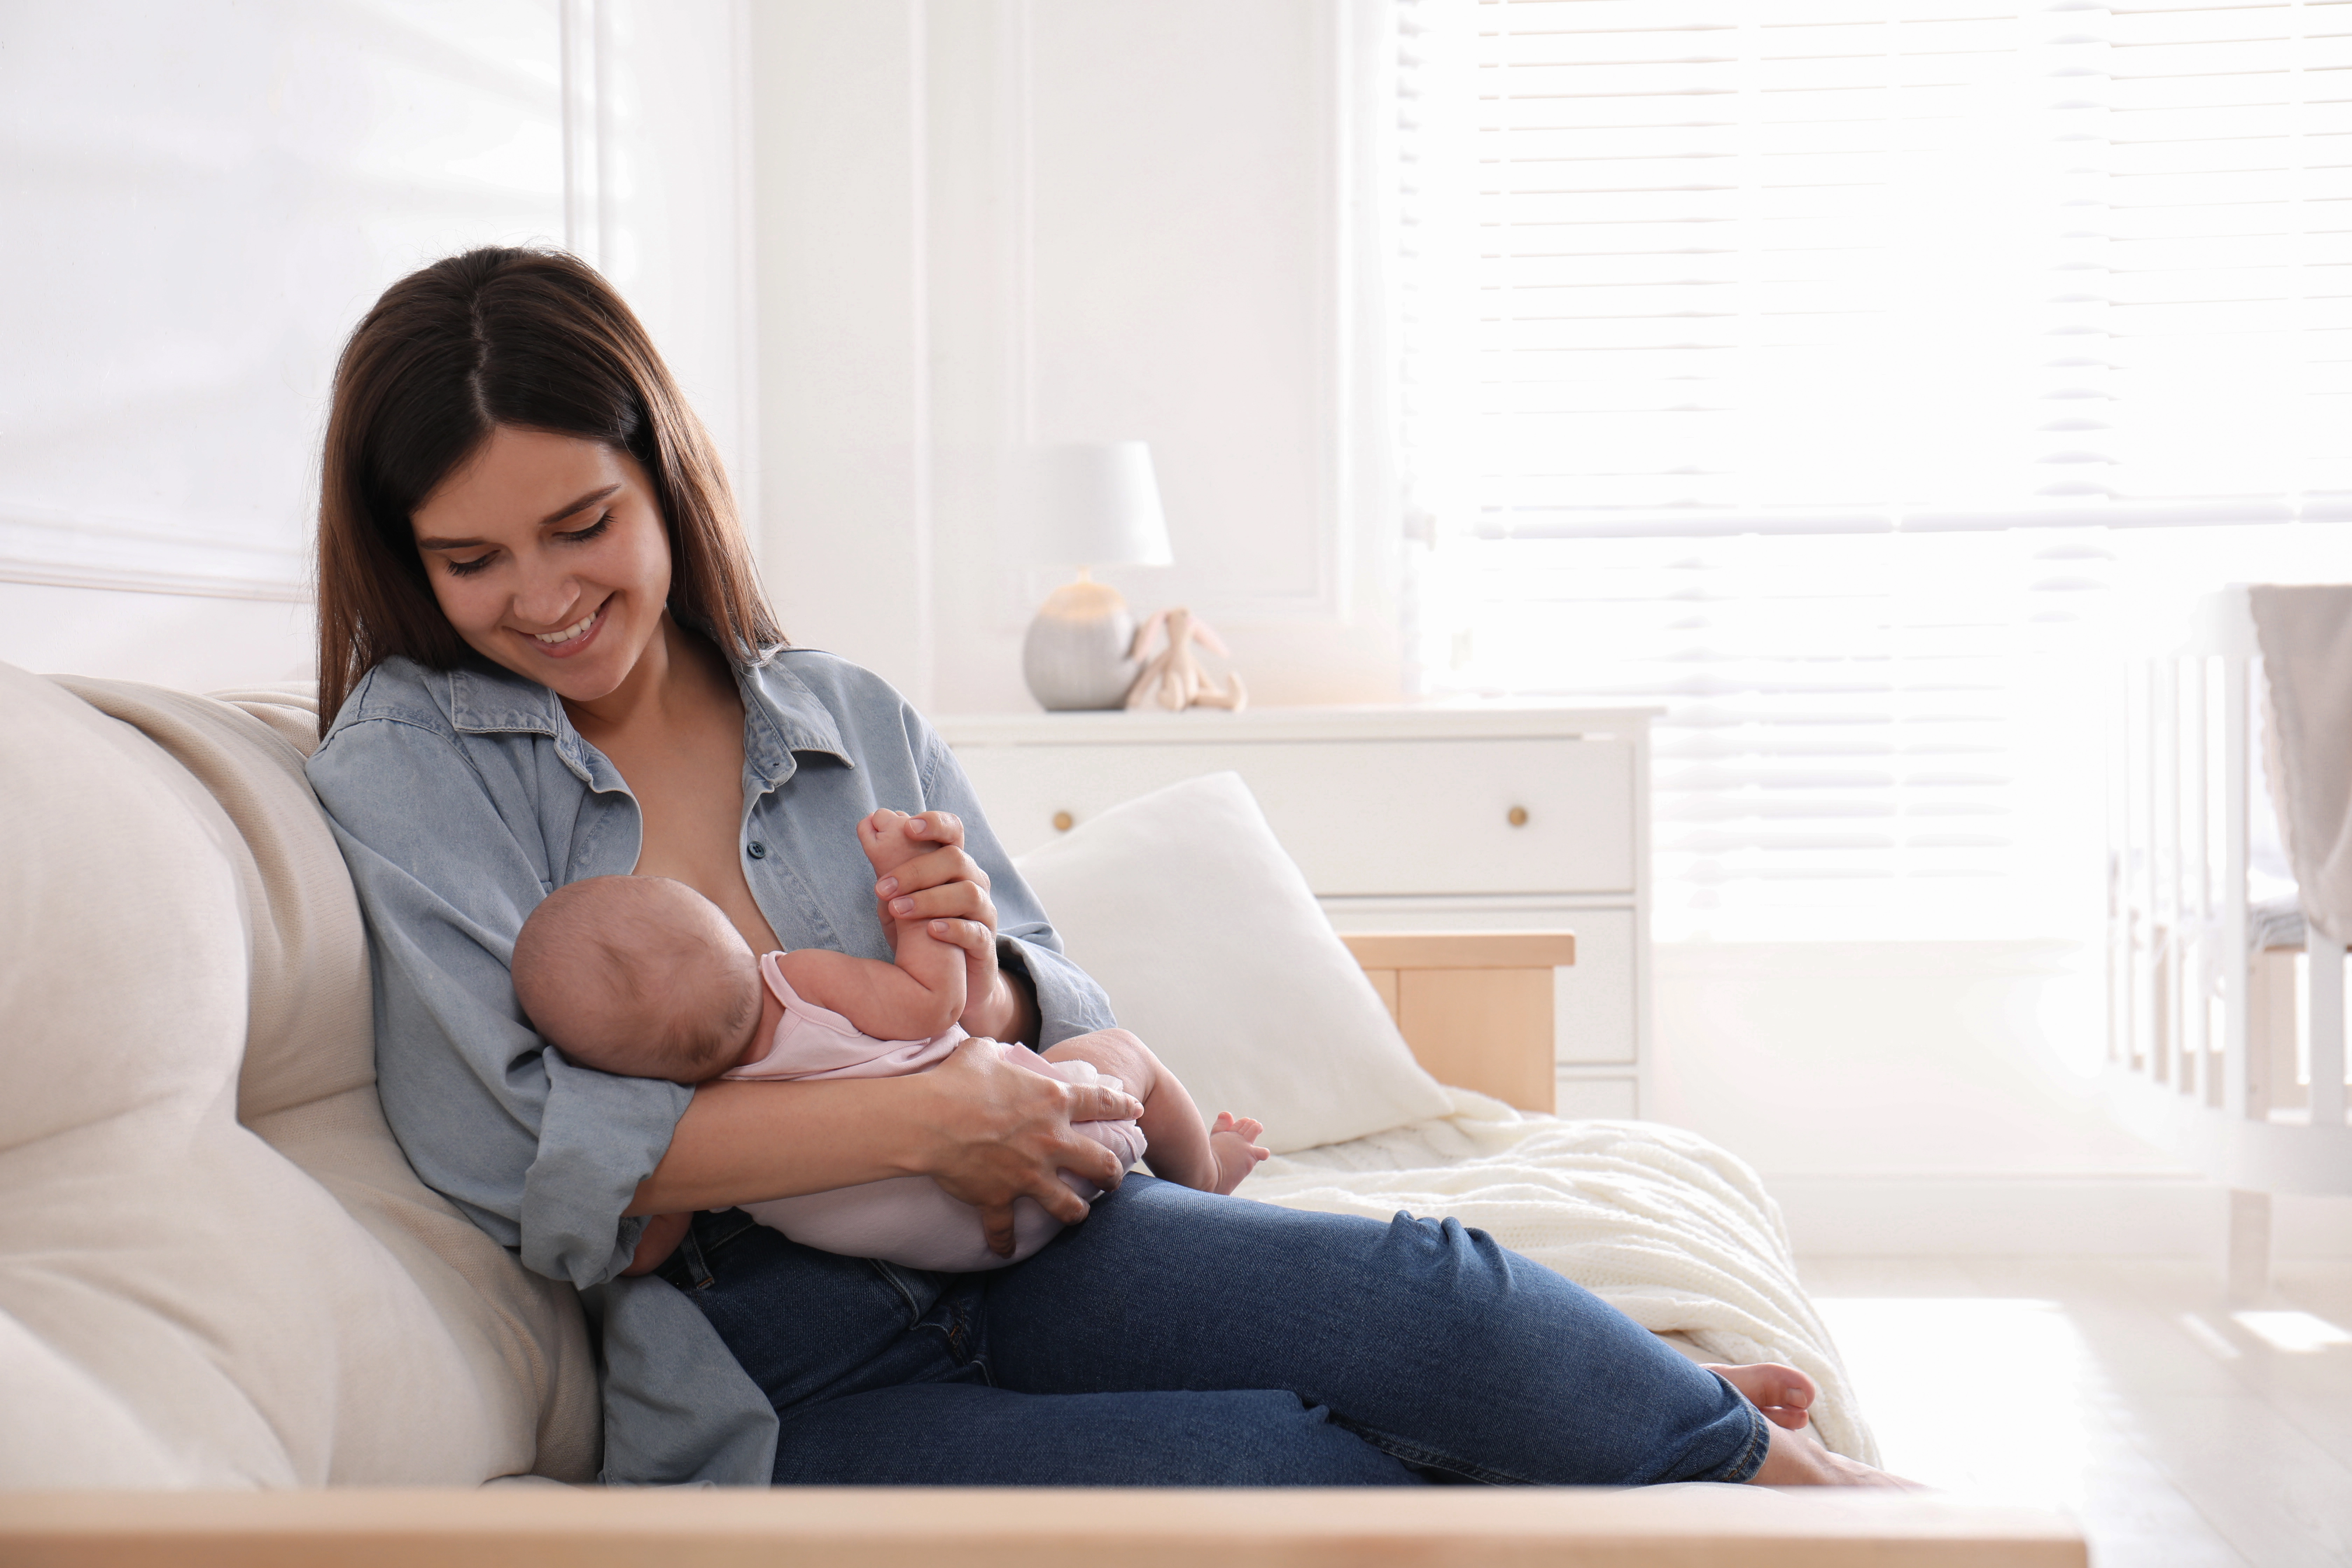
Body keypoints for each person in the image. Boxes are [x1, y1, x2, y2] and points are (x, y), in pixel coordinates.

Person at [306, 245, 1899, 1488]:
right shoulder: (414, 758)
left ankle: (1742, 1461)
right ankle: (1617, 1435)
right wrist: (931, 1113)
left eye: (582, 523)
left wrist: (988, 981)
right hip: (781, 1365)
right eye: (473, 559)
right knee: (1293, 1481)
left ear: (661, 473)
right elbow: (516, 1149)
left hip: (1042, 1236)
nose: (542, 594)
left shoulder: (840, 713)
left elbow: (1071, 1009)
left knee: (1437, 1294)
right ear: (410, 557)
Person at [506, 833, 1267, 1273]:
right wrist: (915, 919)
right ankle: (1206, 1168)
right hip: (1059, 1137)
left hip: (959, 1250)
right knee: (1125, 1052)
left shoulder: (702, 1128)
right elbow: (931, 1005)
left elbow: (645, 1253)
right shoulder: (794, 980)